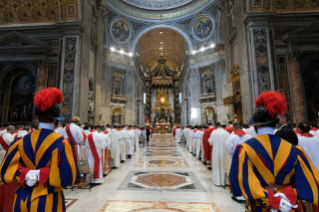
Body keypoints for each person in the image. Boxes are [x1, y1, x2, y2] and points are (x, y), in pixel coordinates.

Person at [230, 91, 319, 212]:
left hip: (261, 207)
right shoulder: (294, 150)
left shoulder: (244, 150)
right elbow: (310, 182)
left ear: (256, 126)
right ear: (275, 124)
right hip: (289, 206)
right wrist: (286, 195)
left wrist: (271, 198)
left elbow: (239, 186)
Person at [0, 88, 80, 211]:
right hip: (48, 199)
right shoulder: (62, 143)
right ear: (55, 120)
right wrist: (42, 174)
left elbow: (6, 171)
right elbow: (68, 177)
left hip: (22, 198)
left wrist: (27, 174)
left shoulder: (20, 141)